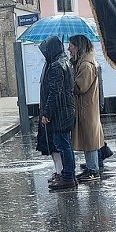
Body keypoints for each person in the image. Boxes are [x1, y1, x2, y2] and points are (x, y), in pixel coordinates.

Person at [38, 36, 76, 190]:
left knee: (63, 145)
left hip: (60, 112)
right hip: (65, 110)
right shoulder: (64, 62)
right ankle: (68, 175)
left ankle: (68, 176)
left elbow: (54, 92)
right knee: (64, 144)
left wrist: (46, 113)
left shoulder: (56, 66)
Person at [68, 34, 104, 182]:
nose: (68, 48)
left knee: (90, 139)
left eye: (70, 45)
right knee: (88, 138)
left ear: (77, 47)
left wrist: (68, 78)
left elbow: (79, 87)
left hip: (86, 108)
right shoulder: (84, 62)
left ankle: (93, 170)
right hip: (86, 107)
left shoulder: (85, 65)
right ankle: (91, 168)